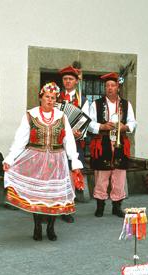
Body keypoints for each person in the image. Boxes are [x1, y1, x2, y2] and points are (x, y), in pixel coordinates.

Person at [3, 82, 83, 241]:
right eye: (47, 97)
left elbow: (69, 141)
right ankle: (37, 226)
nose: (50, 100)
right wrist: (10, 159)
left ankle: (51, 227)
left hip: (56, 160)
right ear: (41, 97)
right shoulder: (30, 115)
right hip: (35, 159)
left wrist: (74, 161)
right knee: (36, 194)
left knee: (53, 196)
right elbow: (20, 140)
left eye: (53, 98)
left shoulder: (62, 116)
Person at [88, 72, 137, 218]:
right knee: (101, 175)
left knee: (119, 175)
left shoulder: (126, 104)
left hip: (120, 143)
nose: (109, 88)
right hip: (102, 142)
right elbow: (89, 123)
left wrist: (125, 127)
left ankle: (117, 206)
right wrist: (102, 127)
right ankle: (100, 206)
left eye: (112, 85)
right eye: (107, 85)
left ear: (118, 87)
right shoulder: (96, 104)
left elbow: (133, 122)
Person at [57, 65, 87, 223]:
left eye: (70, 79)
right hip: (57, 143)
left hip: (75, 143)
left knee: (71, 176)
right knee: (58, 176)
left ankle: (68, 208)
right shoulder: (55, 97)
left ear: (76, 81)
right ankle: (56, 206)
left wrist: (80, 132)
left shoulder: (83, 100)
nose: (67, 82)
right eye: (65, 79)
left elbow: (86, 122)